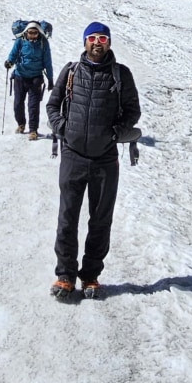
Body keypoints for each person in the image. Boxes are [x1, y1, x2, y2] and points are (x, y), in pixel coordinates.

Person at [45, 21, 140, 301]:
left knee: (100, 219)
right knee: (67, 218)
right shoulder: (71, 71)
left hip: (105, 158)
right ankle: (65, 275)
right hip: (73, 155)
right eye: (92, 38)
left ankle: (90, 275)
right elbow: (53, 104)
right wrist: (62, 128)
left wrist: (115, 134)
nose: (97, 43)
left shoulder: (120, 74)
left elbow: (132, 111)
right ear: (85, 42)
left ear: (109, 43)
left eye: (102, 38)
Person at [5, 21, 52, 139]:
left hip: (36, 78)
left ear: (39, 33)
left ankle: (33, 130)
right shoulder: (20, 41)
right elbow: (13, 54)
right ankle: (21, 124)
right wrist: (9, 62)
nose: (32, 35)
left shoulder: (43, 43)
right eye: (30, 33)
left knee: (33, 106)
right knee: (17, 104)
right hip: (20, 76)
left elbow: (48, 62)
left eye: (35, 33)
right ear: (26, 32)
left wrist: (50, 79)